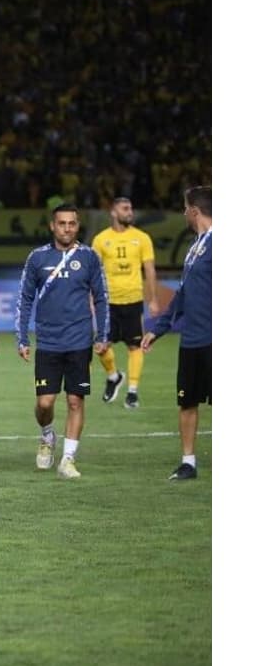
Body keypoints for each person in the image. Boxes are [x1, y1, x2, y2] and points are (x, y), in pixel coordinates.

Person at [14, 203, 110, 479]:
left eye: (72, 223)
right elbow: (24, 299)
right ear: (52, 226)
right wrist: (22, 337)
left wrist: (102, 335)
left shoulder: (90, 257)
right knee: (45, 404)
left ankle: (68, 459)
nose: (67, 228)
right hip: (48, 342)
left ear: (77, 226)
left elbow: (102, 298)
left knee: (75, 401)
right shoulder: (37, 258)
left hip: (79, 340)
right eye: (62, 223)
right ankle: (47, 435)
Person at [141, 186, 211, 481]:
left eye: (185, 208)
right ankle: (188, 462)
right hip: (192, 338)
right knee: (187, 401)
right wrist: (157, 328)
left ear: (194, 211)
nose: (183, 213)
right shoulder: (196, 248)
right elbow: (181, 297)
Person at [91, 197, 160, 408]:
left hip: (133, 300)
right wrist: (91, 298)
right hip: (108, 302)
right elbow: (92, 273)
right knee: (101, 347)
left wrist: (154, 299)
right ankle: (113, 377)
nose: (130, 212)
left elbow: (149, 269)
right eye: (125, 208)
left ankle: (132, 392)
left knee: (135, 346)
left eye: (131, 208)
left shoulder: (142, 238)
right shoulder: (101, 240)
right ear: (113, 212)